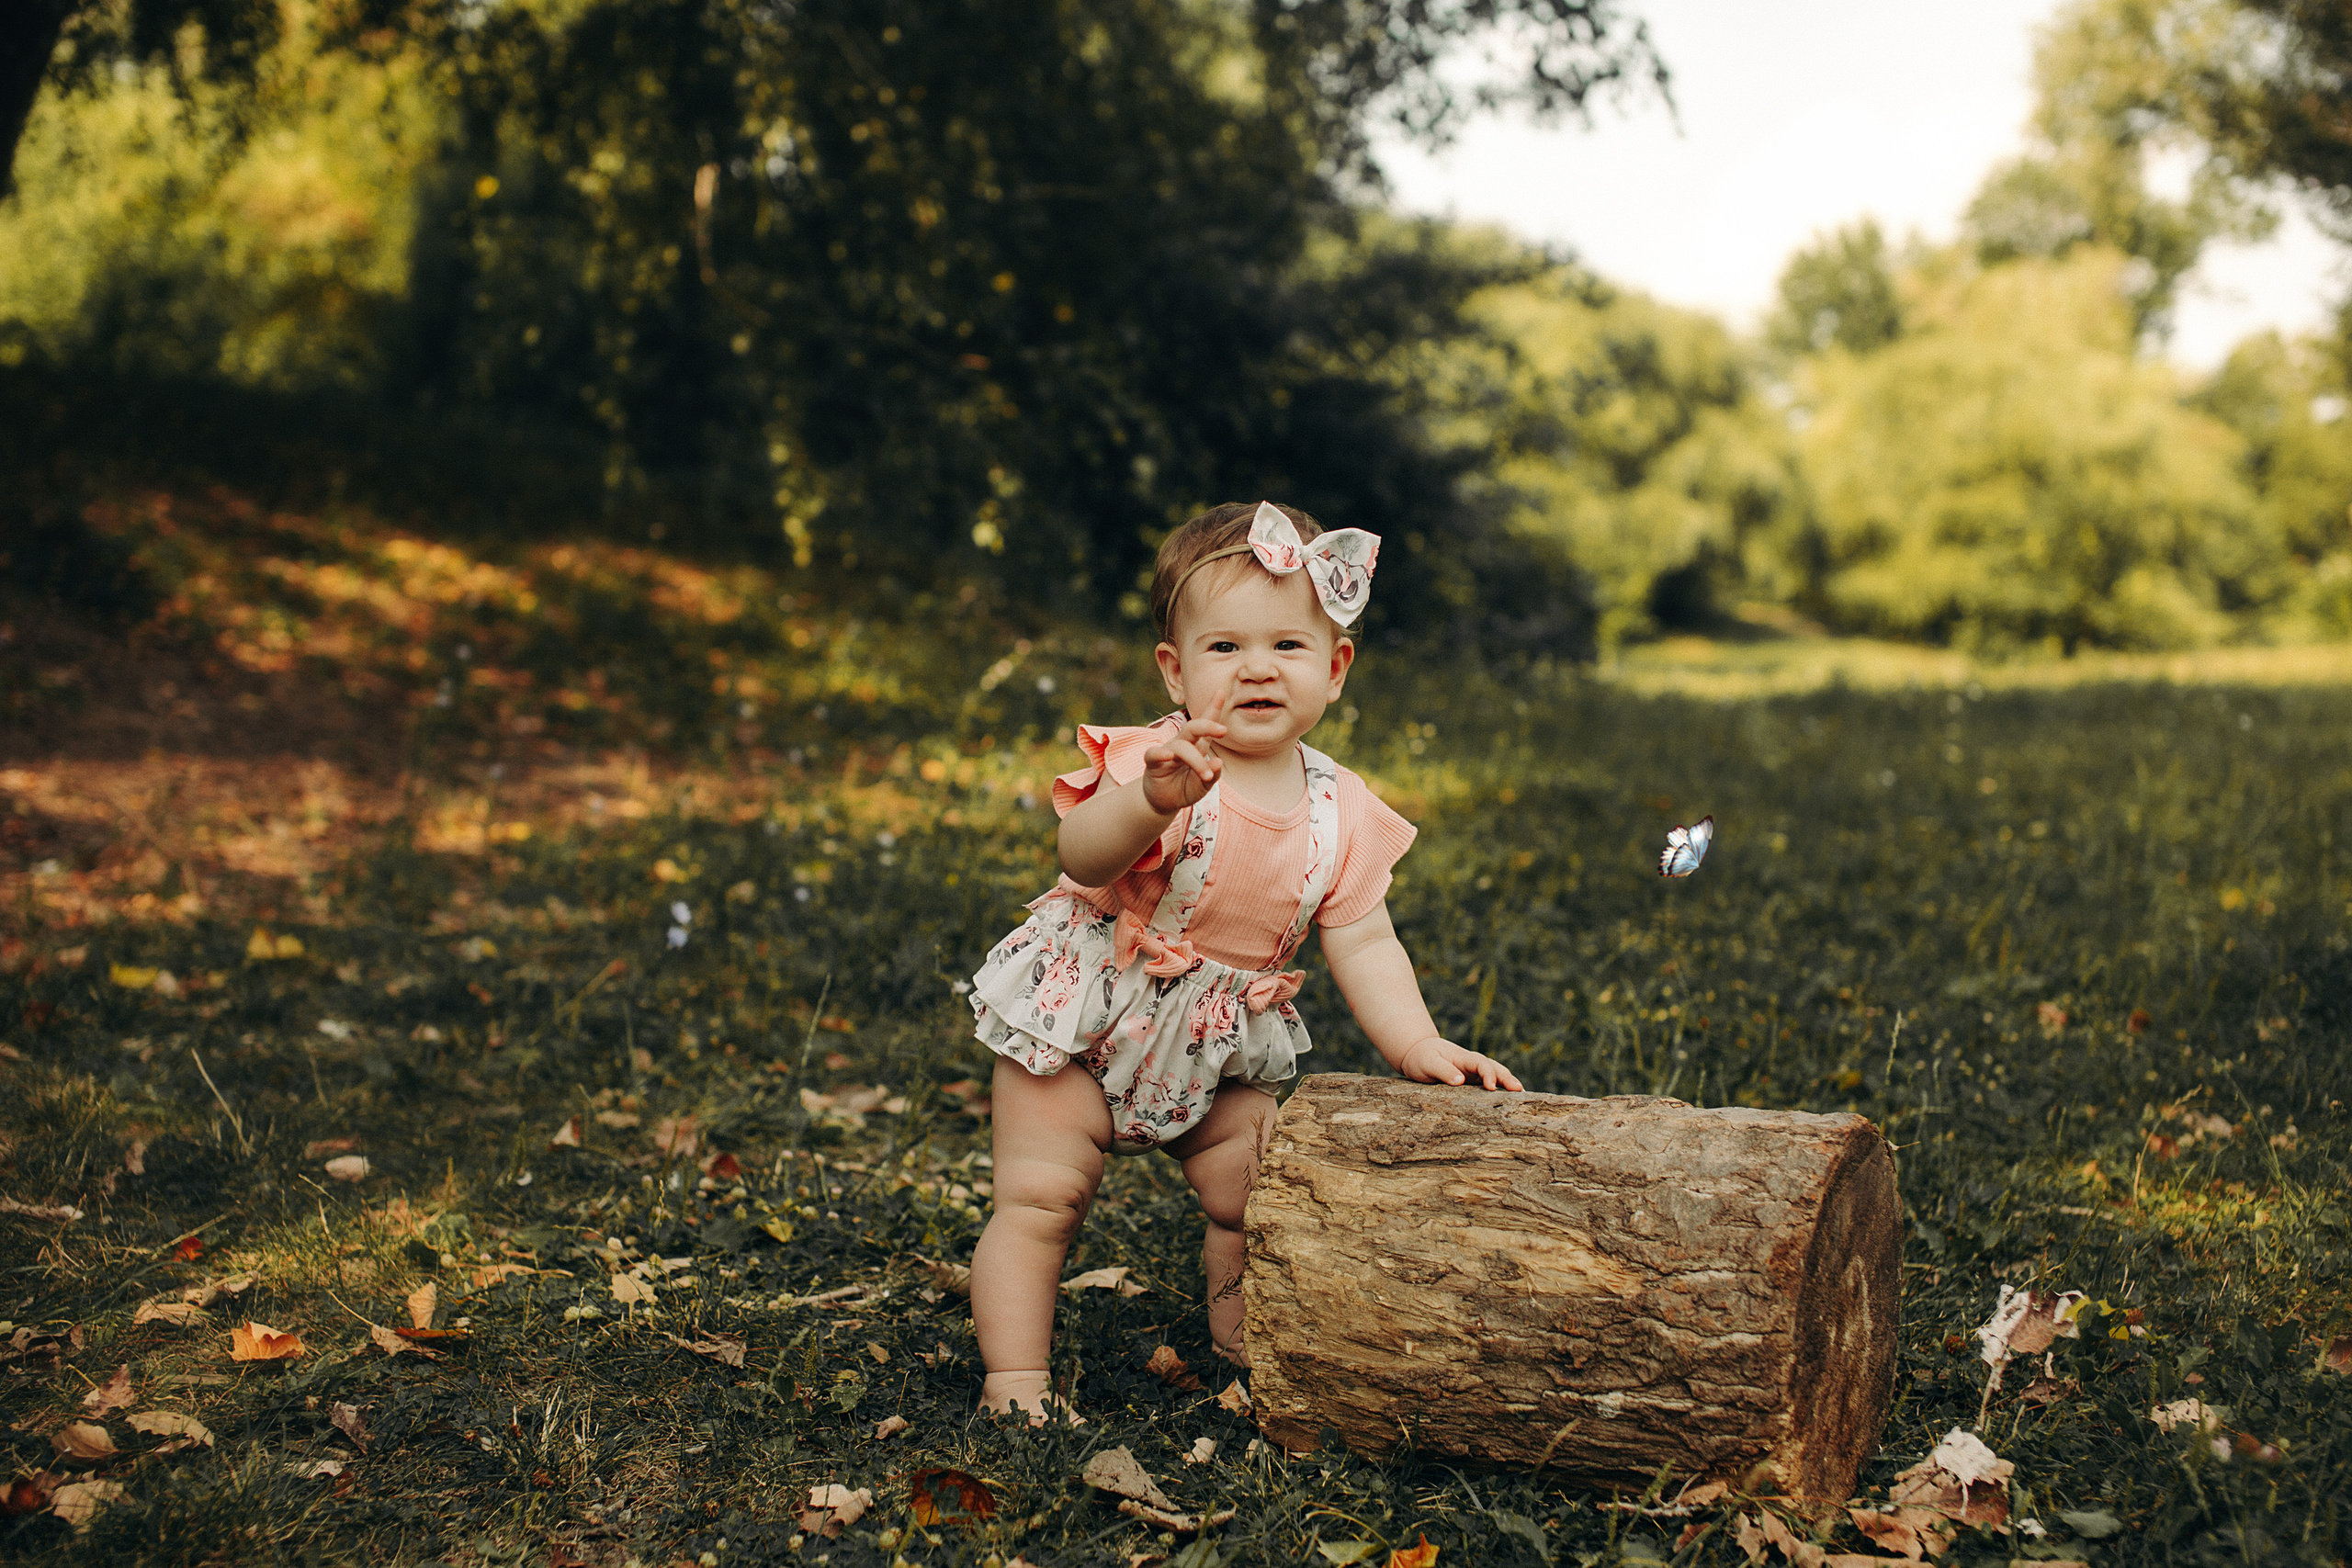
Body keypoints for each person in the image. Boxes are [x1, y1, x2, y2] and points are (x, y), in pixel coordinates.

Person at [964, 500, 1524, 1423]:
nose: (1257, 668)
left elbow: (1363, 937)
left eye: (1287, 648)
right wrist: (1148, 801)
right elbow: (1082, 856)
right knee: (1039, 1200)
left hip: (1216, 1042)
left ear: (1334, 670)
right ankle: (1015, 1384)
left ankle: (1244, 1352)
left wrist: (1414, 1042)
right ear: (1175, 671)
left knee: (1251, 1196)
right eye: (1224, 649)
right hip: (1085, 1018)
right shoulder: (1160, 761)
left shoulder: (1341, 809)